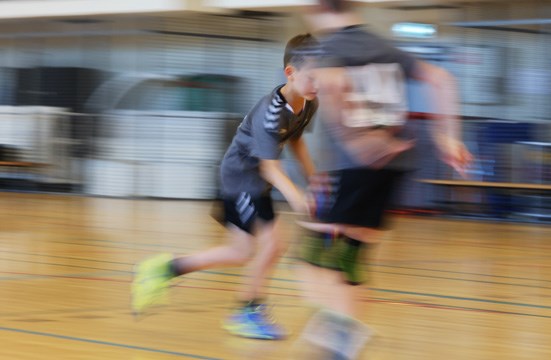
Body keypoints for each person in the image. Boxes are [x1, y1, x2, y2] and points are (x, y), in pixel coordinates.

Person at [293, 1, 473, 358]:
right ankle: (342, 334)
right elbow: (441, 78)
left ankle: (338, 327)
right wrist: (448, 136)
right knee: (352, 253)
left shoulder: (332, 48)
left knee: (311, 252)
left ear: (315, 7)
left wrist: (354, 140)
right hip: (395, 165)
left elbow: (332, 85)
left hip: (355, 165)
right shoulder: (385, 46)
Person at [131, 33, 319, 341]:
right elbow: (269, 167)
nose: (318, 83)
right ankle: (247, 311)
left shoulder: (309, 102)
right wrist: (298, 198)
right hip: (242, 180)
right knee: (273, 244)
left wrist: (315, 179)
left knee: (240, 251)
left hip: (256, 181)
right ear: (291, 73)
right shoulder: (270, 112)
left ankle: (164, 269)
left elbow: (296, 138)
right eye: (313, 76)